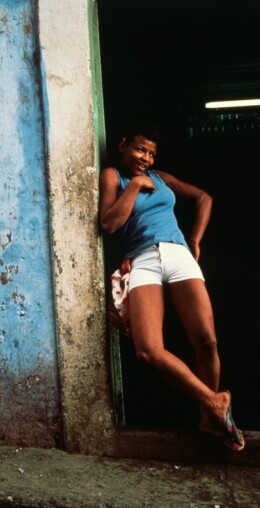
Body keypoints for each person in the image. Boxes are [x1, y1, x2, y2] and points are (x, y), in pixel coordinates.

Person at [98, 121, 244, 452]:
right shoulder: (114, 176)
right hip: (142, 258)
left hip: (179, 254)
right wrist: (134, 186)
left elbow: (204, 198)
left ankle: (209, 420)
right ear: (123, 145)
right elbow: (108, 224)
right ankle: (213, 401)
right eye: (139, 149)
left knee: (206, 341)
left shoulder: (163, 178)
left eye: (151, 153)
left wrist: (195, 239)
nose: (145, 158)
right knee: (148, 350)